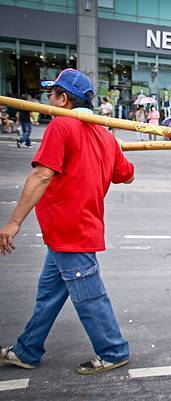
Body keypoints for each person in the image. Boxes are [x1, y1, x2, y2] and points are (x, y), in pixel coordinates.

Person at [0, 68, 134, 375]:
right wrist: (112, 149)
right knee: (48, 296)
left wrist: (14, 222)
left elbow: (42, 174)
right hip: (65, 232)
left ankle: (113, 350)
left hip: (72, 231)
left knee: (89, 296)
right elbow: (126, 174)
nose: (48, 99)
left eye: (52, 94)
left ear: (63, 99)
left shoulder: (62, 125)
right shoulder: (104, 133)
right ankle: (27, 350)